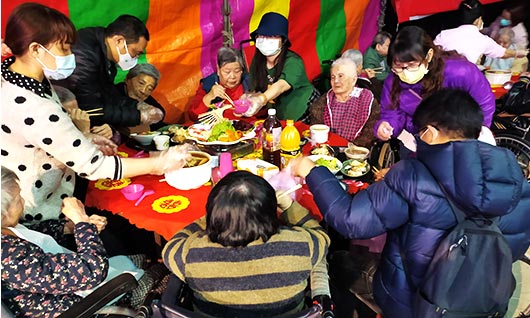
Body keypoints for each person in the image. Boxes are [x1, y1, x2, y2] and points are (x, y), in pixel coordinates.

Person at [289, 89, 530, 318]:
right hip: (481, 300)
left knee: (336, 261)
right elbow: (513, 246)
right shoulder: (515, 180)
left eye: (419, 132)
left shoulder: (413, 176)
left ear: (431, 133)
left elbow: (350, 221)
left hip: (413, 304)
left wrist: (313, 170)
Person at [1, 3, 190, 253]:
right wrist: (160, 163)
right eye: (65, 47)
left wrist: (82, 137)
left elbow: (48, 136)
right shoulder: (32, 105)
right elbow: (94, 166)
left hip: (50, 192)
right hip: (36, 210)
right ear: (36, 49)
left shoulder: (20, 78)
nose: (71, 55)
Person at [0, 167, 168, 316]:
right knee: (164, 273)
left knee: (138, 259)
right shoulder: (10, 258)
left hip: (64, 280)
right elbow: (92, 271)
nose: (22, 201)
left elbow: (33, 234)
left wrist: (71, 227)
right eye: (16, 200)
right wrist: (81, 221)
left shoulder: (5, 231)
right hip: (81, 305)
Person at [162, 170, 330, 317]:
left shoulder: (192, 254)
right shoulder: (300, 246)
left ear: (214, 215)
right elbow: (321, 235)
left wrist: (212, 218)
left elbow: (172, 246)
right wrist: (290, 208)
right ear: (271, 212)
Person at [375, 25, 495, 143]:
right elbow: (391, 112)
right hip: (421, 139)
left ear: (429, 55)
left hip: (459, 138)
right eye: (398, 67)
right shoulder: (393, 81)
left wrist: (478, 133)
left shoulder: (460, 72)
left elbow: (484, 102)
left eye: (411, 65)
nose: (405, 72)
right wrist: (387, 125)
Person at [54, 14, 163, 128]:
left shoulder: (106, 53)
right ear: (119, 41)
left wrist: (137, 105)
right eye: (135, 52)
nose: (135, 58)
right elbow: (91, 108)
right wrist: (139, 116)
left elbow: (106, 94)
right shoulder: (85, 54)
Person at [242, 12, 320, 121]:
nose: (265, 39)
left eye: (272, 36)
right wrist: (248, 99)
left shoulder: (293, 61)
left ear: (283, 41)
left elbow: (281, 85)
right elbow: (257, 89)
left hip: (304, 109)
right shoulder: (258, 60)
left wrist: (261, 99)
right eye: (261, 35)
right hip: (278, 114)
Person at [309, 57, 378, 148]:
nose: (336, 81)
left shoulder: (367, 100)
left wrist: (352, 147)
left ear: (353, 80)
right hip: (327, 148)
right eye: (333, 77)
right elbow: (317, 126)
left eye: (340, 76)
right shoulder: (324, 101)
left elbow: (371, 131)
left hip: (356, 152)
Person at [433, 0, 528, 65]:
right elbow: (503, 53)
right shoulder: (483, 40)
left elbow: (431, 53)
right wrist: (517, 53)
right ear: (478, 20)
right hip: (465, 80)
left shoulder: (444, 35)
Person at [187, 47, 251, 122]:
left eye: (237, 71)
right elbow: (194, 116)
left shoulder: (249, 83)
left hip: (246, 129)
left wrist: (253, 102)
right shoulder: (209, 84)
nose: (232, 76)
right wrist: (209, 96)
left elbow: (262, 114)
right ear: (218, 70)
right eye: (227, 72)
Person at [116, 63, 166, 131]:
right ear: (127, 79)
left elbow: (160, 112)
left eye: (150, 89)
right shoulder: (112, 93)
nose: (143, 91)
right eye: (141, 83)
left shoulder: (144, 97)